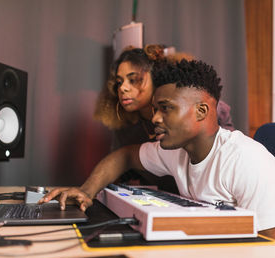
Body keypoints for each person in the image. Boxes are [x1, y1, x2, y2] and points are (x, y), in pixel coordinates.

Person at [40, 59, 275, 243]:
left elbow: (268, 250)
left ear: (201, 111)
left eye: (165, 108)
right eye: (154, 110)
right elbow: (125, 156)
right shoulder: (176, 152)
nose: (156, 119)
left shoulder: (248, 160)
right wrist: (86, 191)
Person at [94, 45, 234, 192]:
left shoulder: (204, 110)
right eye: (119, 82)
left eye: (134, 79)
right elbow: (121, 168)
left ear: (155, 77)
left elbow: (224, 157)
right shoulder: (125, 126)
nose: (123, 88)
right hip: (159, 199)